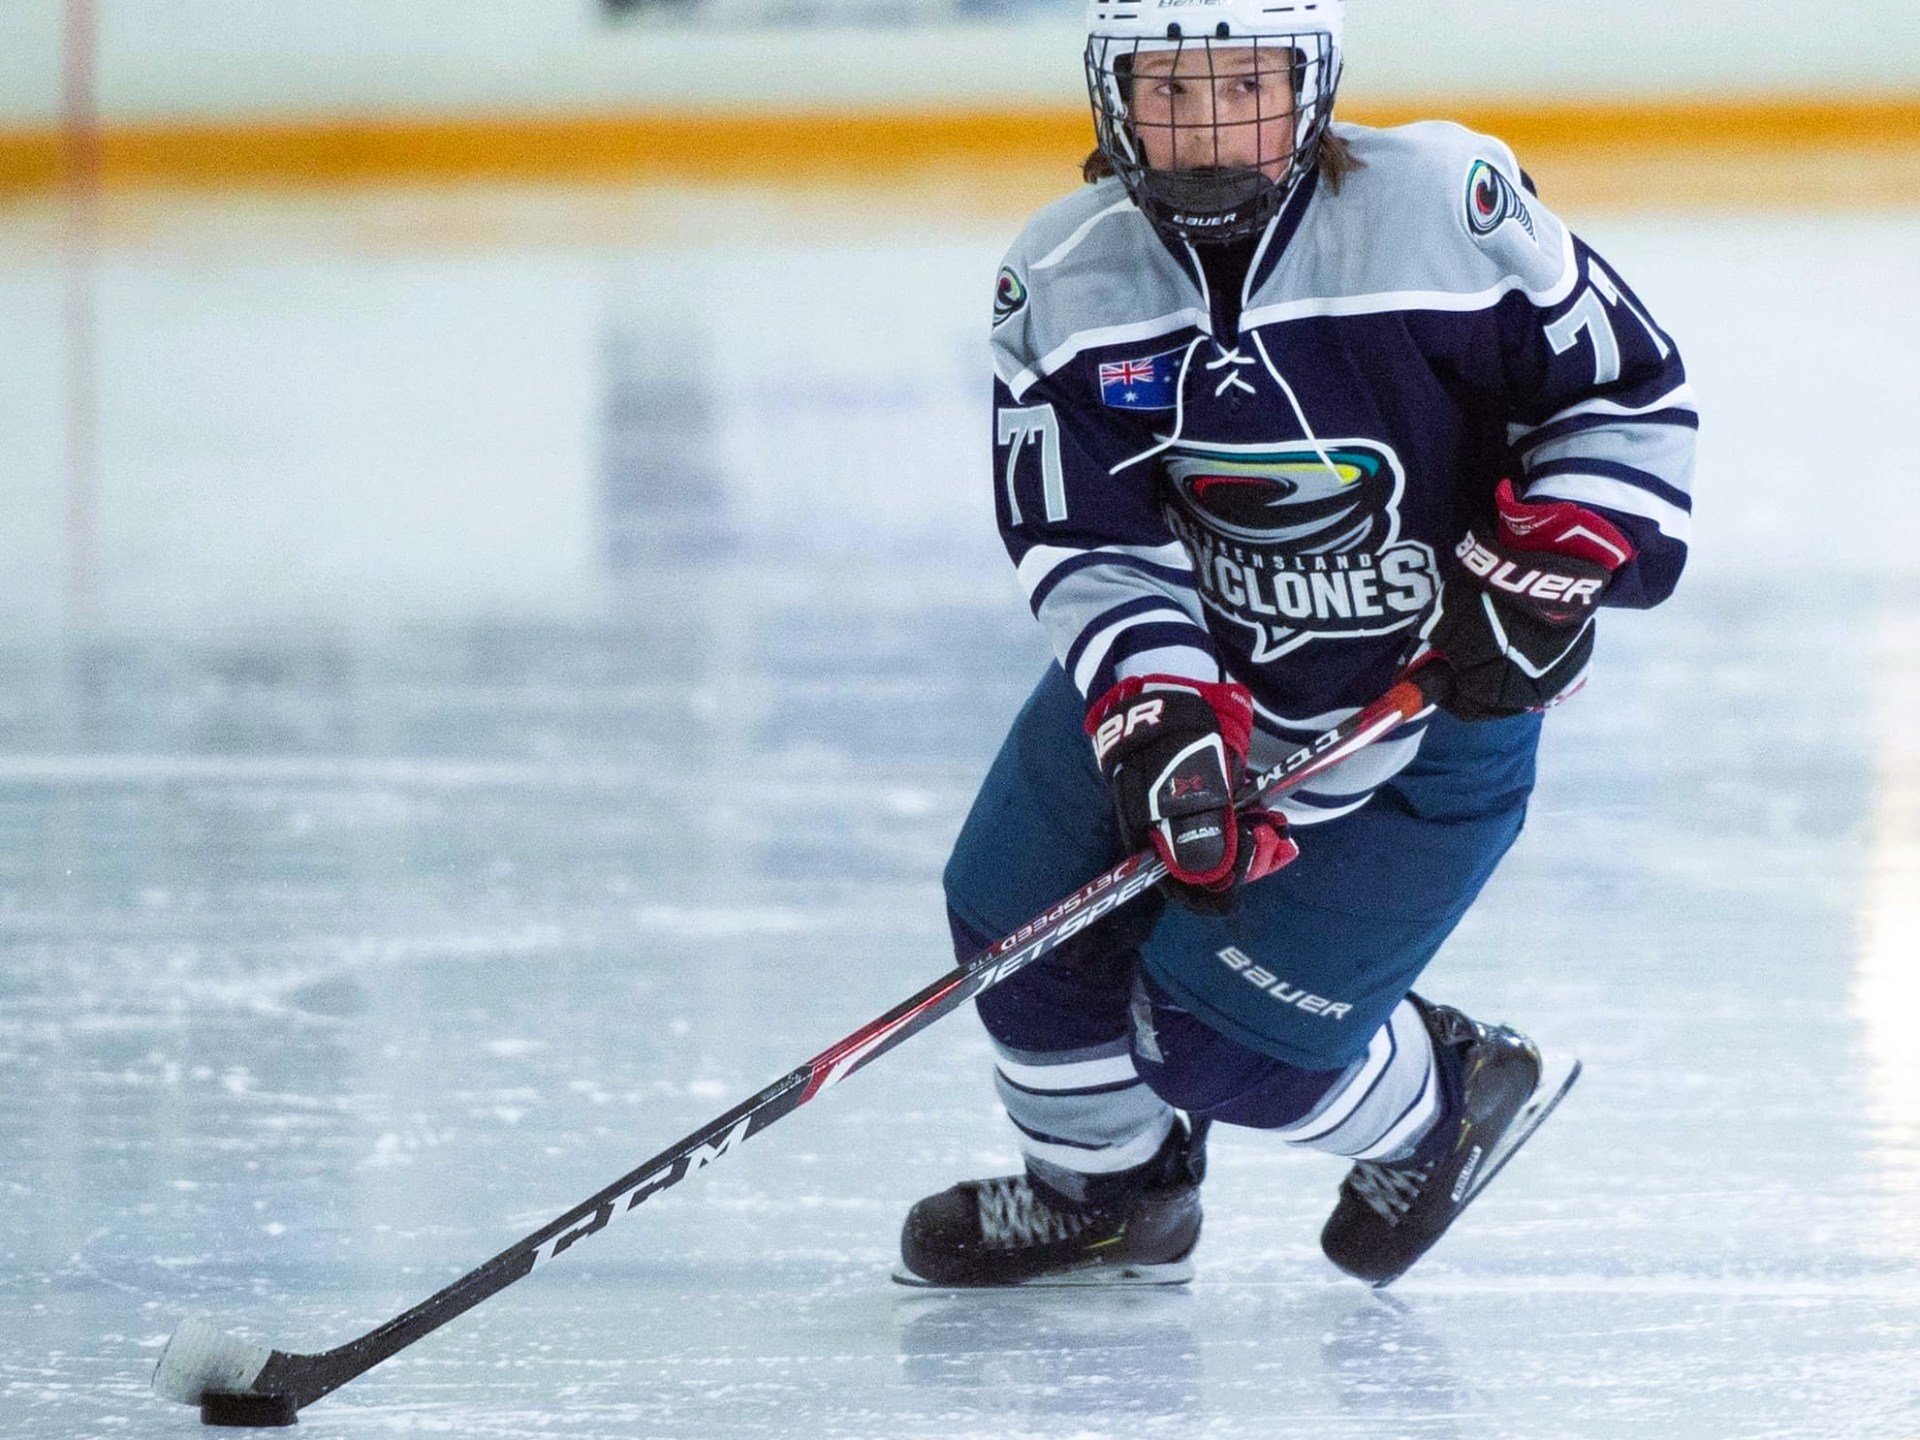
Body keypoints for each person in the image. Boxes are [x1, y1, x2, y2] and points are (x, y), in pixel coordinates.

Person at [892, 0, 1693, 1289]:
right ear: (1114, 99)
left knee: (1226, 1051)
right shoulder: (1062, 278)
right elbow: (1087, 540)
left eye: (1246, 84)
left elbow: (1622, 394)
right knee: (1017, 927)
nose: (1210, 128)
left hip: (1425, 710)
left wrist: (1554, 571)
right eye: (1171, 89)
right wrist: (1157, 714)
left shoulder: (1443, 209)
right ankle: (1109, 1200)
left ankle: (1445, 1102)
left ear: (1311, 85)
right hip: (1206, 669)